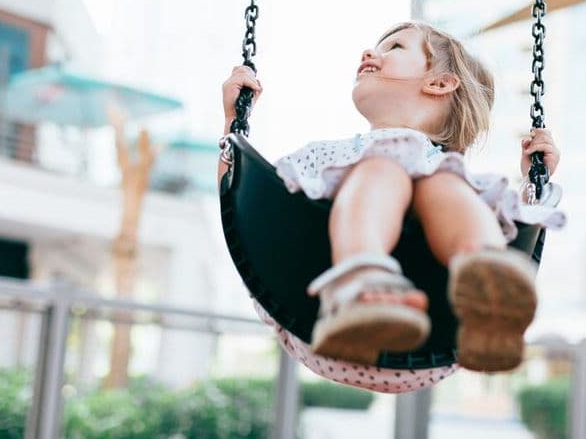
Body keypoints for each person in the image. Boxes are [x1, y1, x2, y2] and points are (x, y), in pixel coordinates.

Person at [219, 21, 564, 393]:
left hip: (436, 336)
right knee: (385, 167)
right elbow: (249, 205)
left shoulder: (455, 181)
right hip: (318, 317)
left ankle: (488, 289)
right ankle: (362, 286)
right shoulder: (326, 158)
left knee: (441, 181)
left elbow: (521, 227)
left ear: (440, 83)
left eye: (394, 47)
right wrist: (232, 121)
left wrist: (533, 185)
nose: (370, 54)